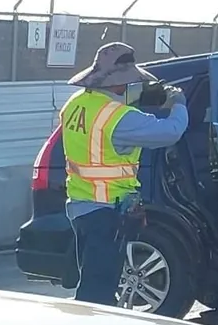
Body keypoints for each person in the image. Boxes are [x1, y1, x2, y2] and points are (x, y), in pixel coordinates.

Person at [58, 42, 190, 306]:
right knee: (98, 294)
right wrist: (178, 104)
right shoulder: (118, 117)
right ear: (120, 85)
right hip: (106, 210)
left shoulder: (76, 104)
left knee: (92, 280)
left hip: (80, 206)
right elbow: (171, 132)